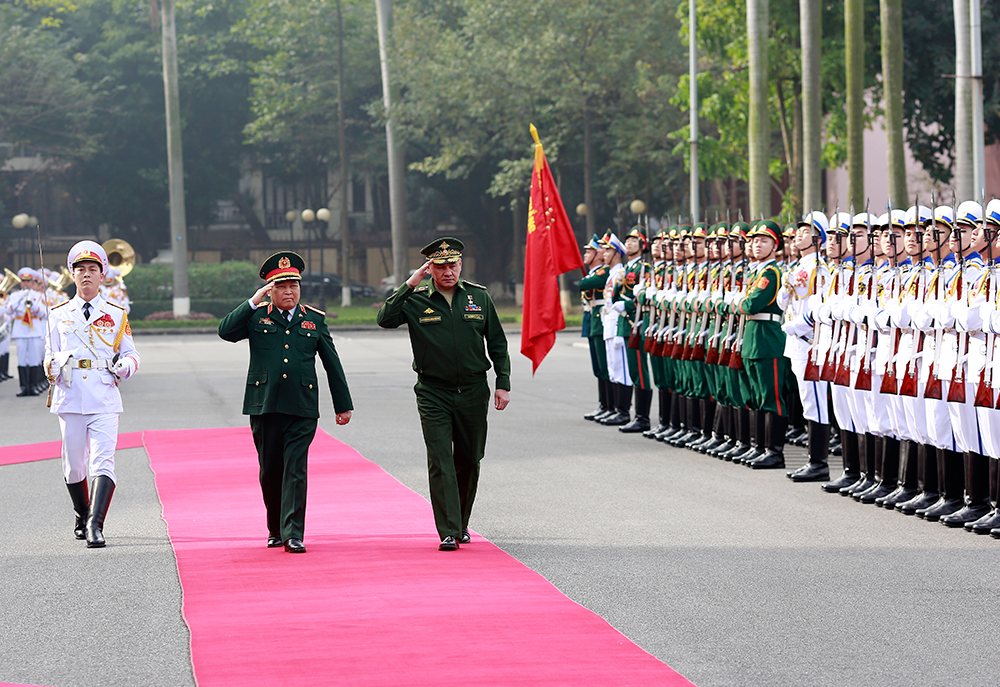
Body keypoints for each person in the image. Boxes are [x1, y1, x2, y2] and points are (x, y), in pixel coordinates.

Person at [376, 237, 510, 551]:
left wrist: (503, 382)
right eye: (440, 266)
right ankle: (448, 530)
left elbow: (498, 343)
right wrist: (410, 284)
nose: (447, 271)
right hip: (433, 391)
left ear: (461, 265)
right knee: (440, 459)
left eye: (452, 264)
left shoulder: (478, 298)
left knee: (470, 458)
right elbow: (385, 319)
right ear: (430, 269)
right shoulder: (415, 298)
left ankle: (461, 522)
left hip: (474, 390)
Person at [218, 251, 353, 554]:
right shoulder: (256, 317)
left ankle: (294, 533)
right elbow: (225, 331)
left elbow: (333, 364)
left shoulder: (314, 320)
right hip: (264, 406)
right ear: (270, 289)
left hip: (302, 407)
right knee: (270, 470)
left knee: (295, 469)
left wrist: (343, 404)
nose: (289, 291)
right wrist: (253, 301)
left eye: (293, 285)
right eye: (281, 286)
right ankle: (275, 528)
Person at [44, 241, 140, 548]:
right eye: (80, 269)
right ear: (72, 274)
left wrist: (124, 366)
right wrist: (53, 365)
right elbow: (48, 356)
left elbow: (132, 354)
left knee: (103, 460)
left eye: (92, 269)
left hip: (103, 394)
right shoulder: (57, 314)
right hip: (70, 396)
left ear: (102, 275)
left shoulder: (116, 313)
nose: (86, 275)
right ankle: (82, 513)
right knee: (74, 465)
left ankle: (96, 525)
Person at [6, 268, 47, 396]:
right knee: (22, 359)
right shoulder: (14, 295)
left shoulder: (39, 296)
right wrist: (20, 299)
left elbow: (44, 313)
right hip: (20, 331)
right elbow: (8, 310)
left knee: (34, 359)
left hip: (34, 330)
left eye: (28, 281)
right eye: (23, 281)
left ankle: (33, 386)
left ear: (32, 281)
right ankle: (24, 387)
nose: (25, 283)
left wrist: (32, 305)